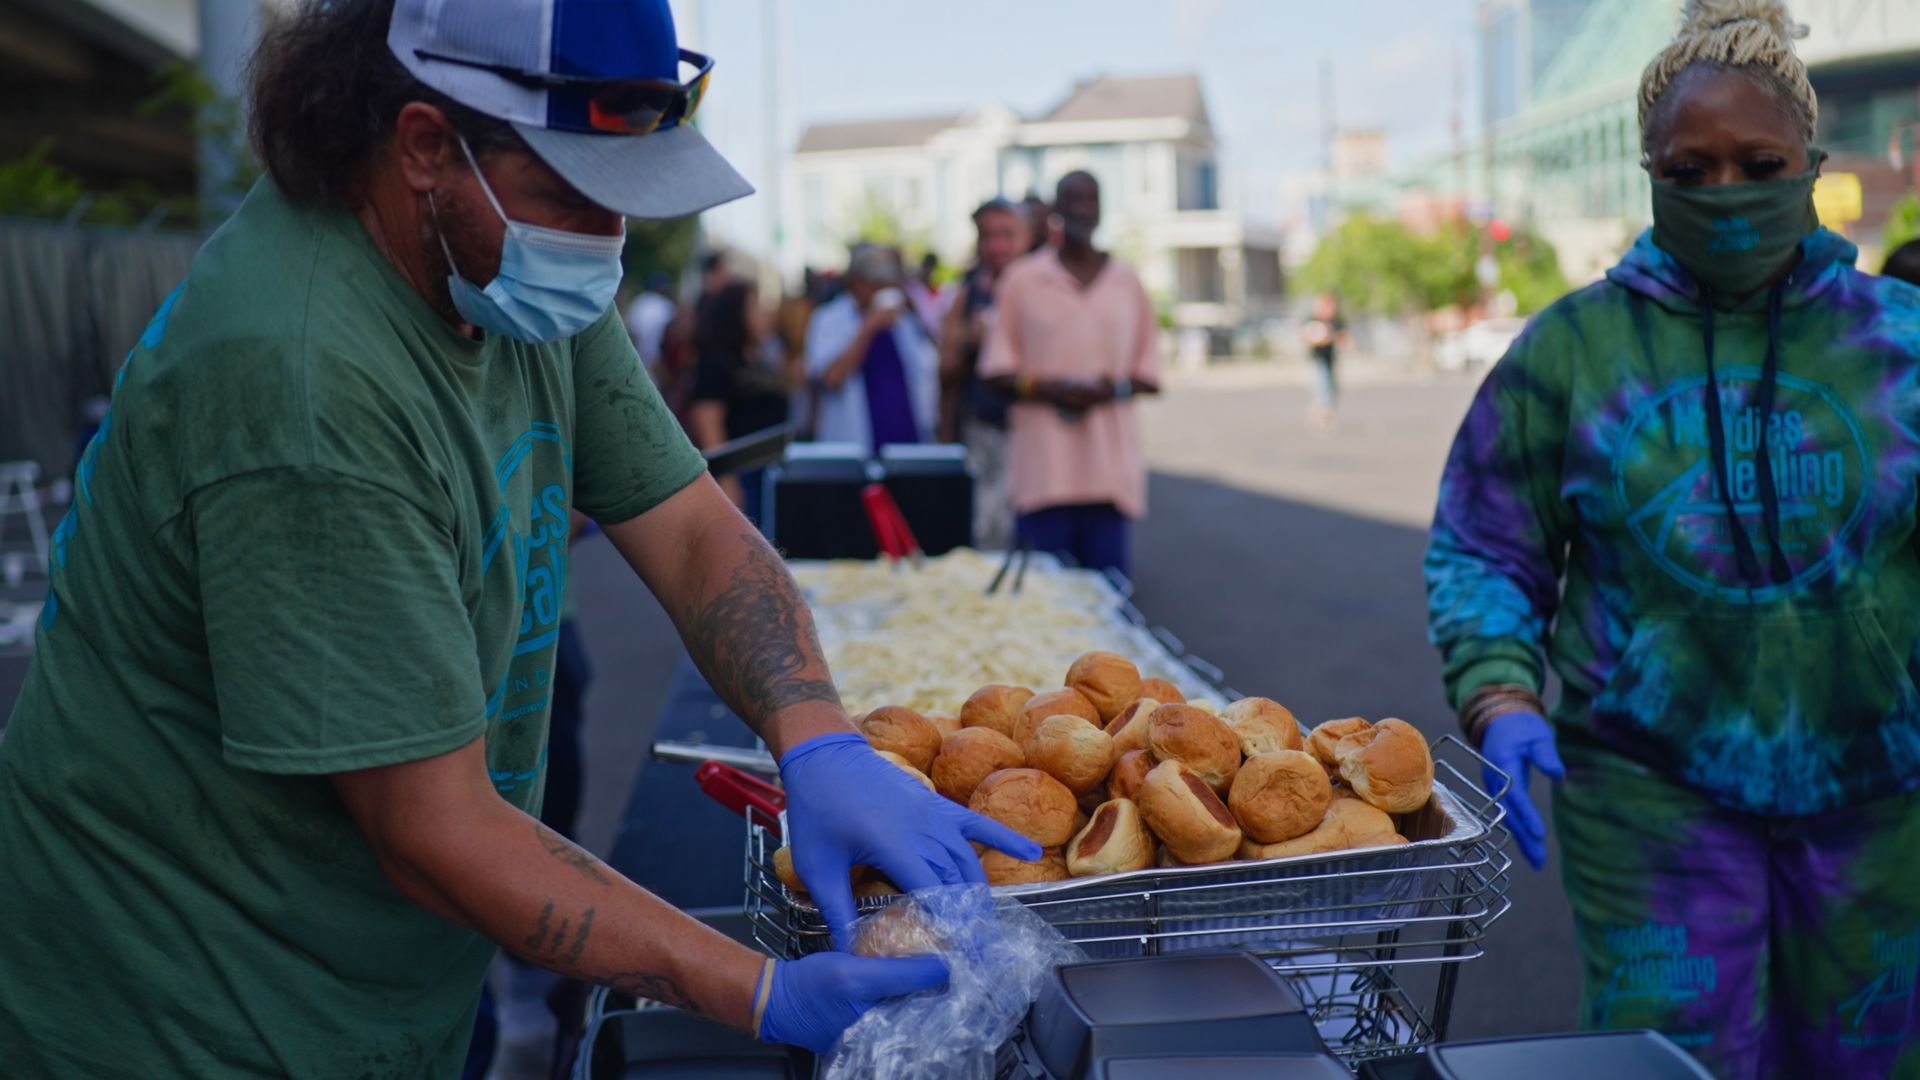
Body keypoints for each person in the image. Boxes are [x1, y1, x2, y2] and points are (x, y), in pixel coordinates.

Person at [0, 1, 1042, 1075]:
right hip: (181, 1011)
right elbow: (434, 829)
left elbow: (688, 527)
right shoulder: (302, 377)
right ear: (423, 146)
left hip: (382, 983)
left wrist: (818, 737)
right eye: (577, 195)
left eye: (627, 195)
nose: (606, 239)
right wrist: (762, 990)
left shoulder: (512, 268)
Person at [1425, 2, 1920, 1075]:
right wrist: (1501, 696)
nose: (1727, 193)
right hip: (1653, 806)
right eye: (1689, 170)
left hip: (1885, 805)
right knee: (1673, 1064)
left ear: (1811, 164)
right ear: (1648, 175)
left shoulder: (1900, 346)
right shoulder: (1571, 350)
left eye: (1758, 162)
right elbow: (1485, 545)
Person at [980, 171, 1160, 579]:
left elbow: (1149, 374)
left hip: (1108, 477)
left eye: (1089, 199)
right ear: (1055, 210)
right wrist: (1049, 389)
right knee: (1044, 607)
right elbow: (995, 371)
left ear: (1100, 208)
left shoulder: (1126, 282)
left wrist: (1107, 388)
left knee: (1110, 606)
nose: (1081, 208)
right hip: (1043, 478)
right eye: (1071, 199)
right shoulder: (1022, 280)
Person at [939, 198, 1032, 548]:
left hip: (1035, 433)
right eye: (987, 235)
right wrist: (968, 343)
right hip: (984, 431)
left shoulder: (1045, 286)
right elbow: (945, 373)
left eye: (1007, 234)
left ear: (1027, 235)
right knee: (987, 535)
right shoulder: (969, 292)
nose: (997, 246)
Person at [804, 243, 939, 452]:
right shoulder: (828, 318)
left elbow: (927, 369)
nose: (883, 290)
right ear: (855, 282)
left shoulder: (902, 320)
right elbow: (831, 378)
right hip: (854, 448)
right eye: (876, 283)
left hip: (905, 445)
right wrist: (868, 327)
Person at [691, 280, 788, 525]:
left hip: (769, 469)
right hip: (741, 473)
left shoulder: (758, 359)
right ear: (736, 314)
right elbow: (707, 420)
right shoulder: (716, 362)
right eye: (756, 308)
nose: (765, 315)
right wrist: (725, 477)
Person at [1301, 292, 1347, 427]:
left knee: (1332, 387)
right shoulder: (1314, 322)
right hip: (1319, 359)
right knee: (1322, 386)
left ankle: (1321, 411)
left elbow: (1342, 338)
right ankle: (1321, 413)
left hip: (1331, 359)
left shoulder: (1334, 323)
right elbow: (1307, 339)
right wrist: (1322, 339)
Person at [624, 269, 676, 371]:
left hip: (637, 356)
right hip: (660, 359)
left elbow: (632, 331)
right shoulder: (667, 305)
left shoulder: (639, 301)